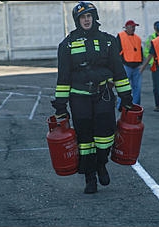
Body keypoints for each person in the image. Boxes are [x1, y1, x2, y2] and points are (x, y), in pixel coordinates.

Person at [51, 2, 133, 194]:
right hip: (79, 98)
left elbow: (119, 71)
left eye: (89, 16)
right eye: (82, 17)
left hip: (103, 95)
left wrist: (126, 97)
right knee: (85, 139)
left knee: (105, 135)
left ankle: (101, 164)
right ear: (77, 20)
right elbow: (63, 77)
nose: (86, 20)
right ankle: (90, 177)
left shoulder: (109, 41)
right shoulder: (67, 44)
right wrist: (60, 106)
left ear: (94, 17)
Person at [116, 20, 143, 111]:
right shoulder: (120, 36)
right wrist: (120, 63)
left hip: (137, 67)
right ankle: (121, 105)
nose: (133, 28)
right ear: (126, 27)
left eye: (134, 26)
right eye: (132, 26)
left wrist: (141, 63)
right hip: (125, 66)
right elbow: (117, 50)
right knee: (123, 88)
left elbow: (140, 51)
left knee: (137, 88)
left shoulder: (138, 38)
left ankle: (135, 106)